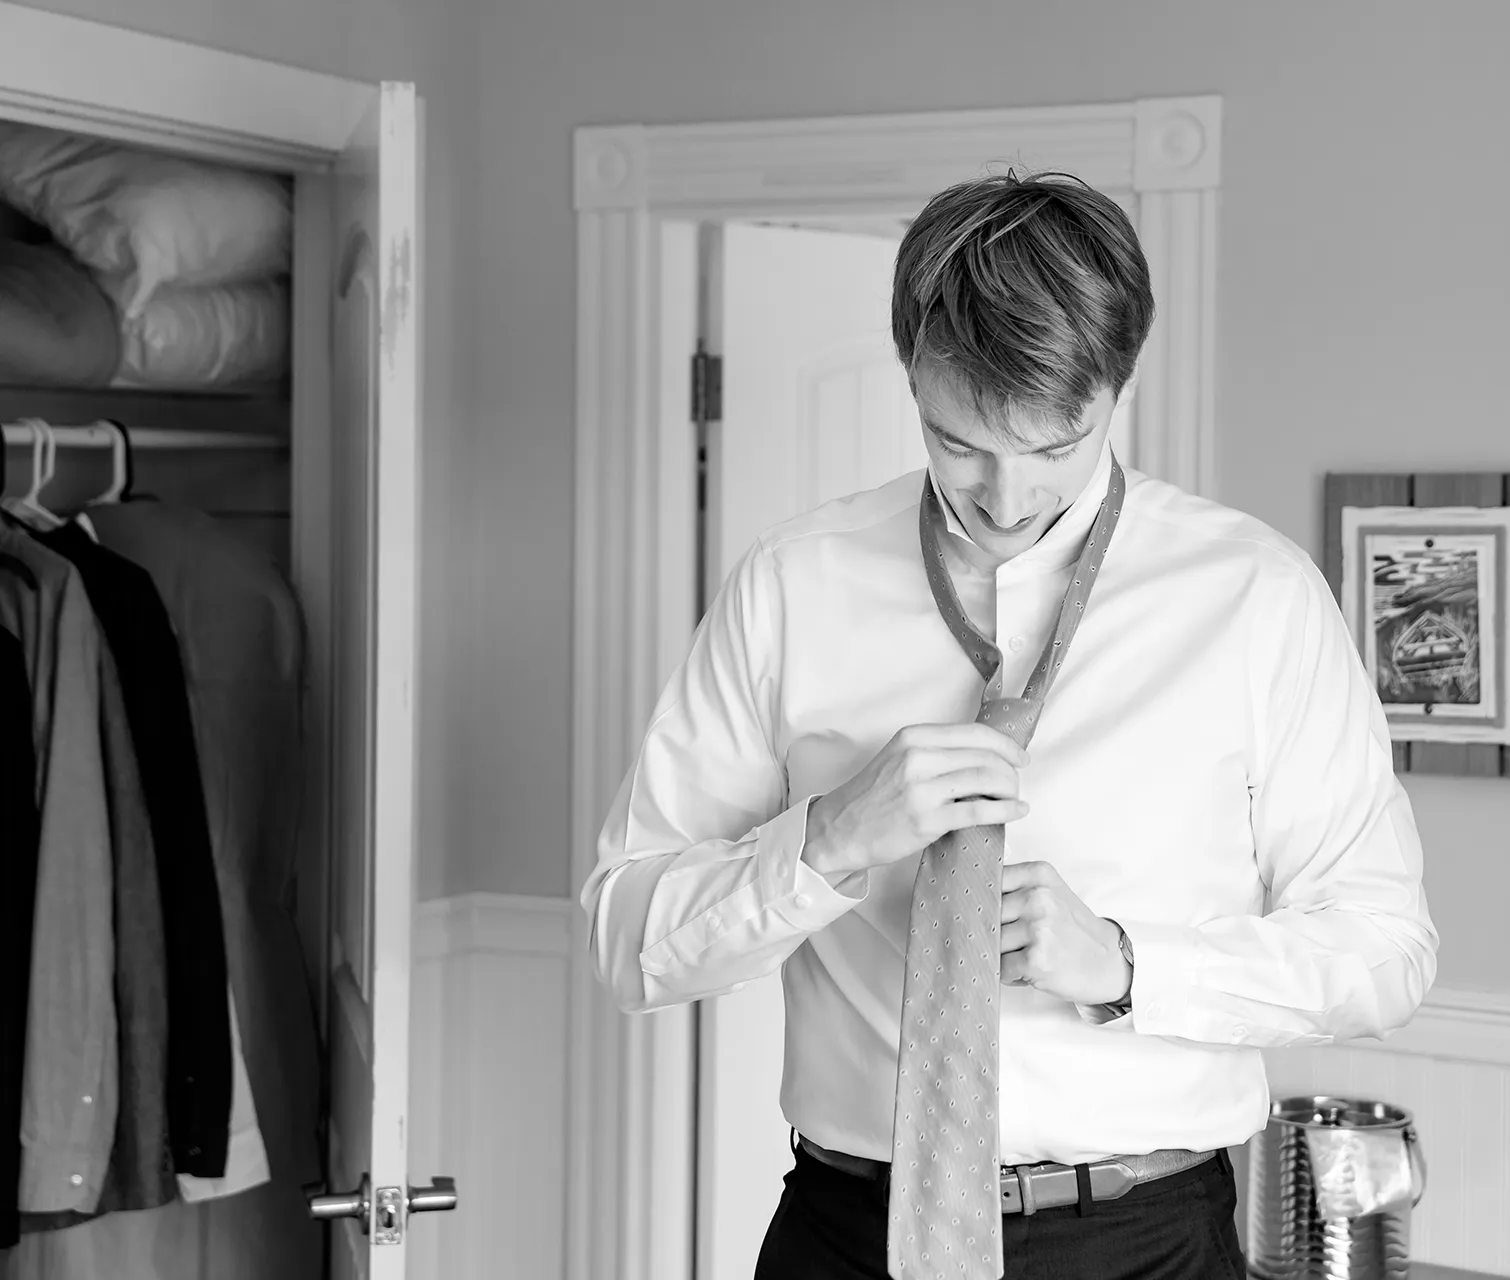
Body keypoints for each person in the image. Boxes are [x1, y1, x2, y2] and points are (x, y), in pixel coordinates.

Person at [581, 170, 1438, 1280]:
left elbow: (1386, 952)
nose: (1003, 495)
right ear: (911, 379)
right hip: (847, 1233)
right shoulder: (793, 585)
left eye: (1054, 445)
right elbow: (625, 940)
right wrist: (827, 840)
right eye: (959, 442)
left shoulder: (1254, 598)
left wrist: (1131, 963)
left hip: (1146, 1239)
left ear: (1116, 388)